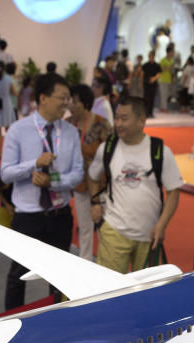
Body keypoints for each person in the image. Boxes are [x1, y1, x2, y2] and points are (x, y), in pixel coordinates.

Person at [0, 73, 82, 309]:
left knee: (59, 278)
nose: (67, 103)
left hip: (60, 215)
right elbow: (5, 173)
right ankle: (12, 323)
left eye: (68, 98)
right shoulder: (18, 130)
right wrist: (33, 164)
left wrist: (51, 182)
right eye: (62, 98)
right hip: (27, 217)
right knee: (18, 276)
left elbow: (77, 175)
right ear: (43, 98)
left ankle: (58, 323)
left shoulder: (70, 132)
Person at [87, 96, 182, 273]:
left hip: (149, 235)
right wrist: (95, 203)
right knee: (110, 289)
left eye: (124, 118)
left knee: (145, 292)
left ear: (141, 121)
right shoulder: (107, 148)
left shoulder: (160, 151)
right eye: (116, 118)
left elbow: (173, 192)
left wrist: (162, 225)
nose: (118, 123)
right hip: (113, 231)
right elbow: (93, 177)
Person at [67, 83, 112, 261]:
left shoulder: (102, 124)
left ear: (85, 102)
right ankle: (85, 261)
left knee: (103, 228)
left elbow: (111, 154)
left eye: (75, 101)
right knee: (84, 228)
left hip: (100, 185)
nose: (70, 104)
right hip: (78, 184)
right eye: (69, 100)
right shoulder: (66, 125)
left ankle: (106, 263)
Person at [0, 61, 17, 160]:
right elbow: (14, 92)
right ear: (4, 69)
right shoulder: (9, 79)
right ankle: (10, 152)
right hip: (6, 103)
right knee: (8, 130)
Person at [141, 51, 161, 118]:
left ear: (153, 56)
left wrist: (153, 79)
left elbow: (159, 74)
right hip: (146, 83)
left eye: (151, 56)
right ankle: (146, 112)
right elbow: (142, 74)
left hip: (153, 84)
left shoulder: (157, 65)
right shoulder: (145, 65)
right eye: (149, 56)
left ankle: (151, 112)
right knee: (146, 98)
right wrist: (141, 83)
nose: (150, 57)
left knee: (152, 98)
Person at [158, 44, 175, 112]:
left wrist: (172, 78)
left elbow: (172, 70)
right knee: (163, 94)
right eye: (172, 52)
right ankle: (164, 108)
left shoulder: (172, 61)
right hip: (162, 79)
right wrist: (169, 67)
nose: (173, 53)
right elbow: (161, 69)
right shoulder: (163, 60)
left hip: (168, 79)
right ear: (169, 52)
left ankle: (163, 107)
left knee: (167, 94)